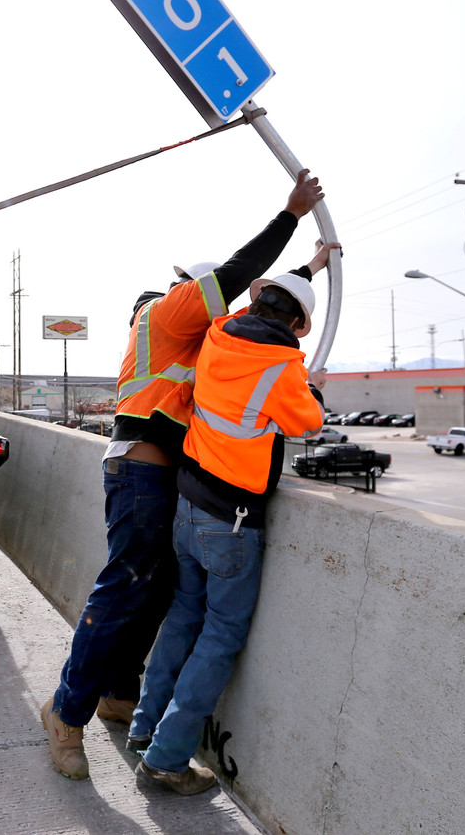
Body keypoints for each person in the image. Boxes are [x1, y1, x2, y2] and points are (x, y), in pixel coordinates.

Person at [41, 168, 336, 780]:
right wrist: (290, 214)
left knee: (159, 591)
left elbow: (264, 309)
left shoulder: (204, 337)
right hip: (142, 471)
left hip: (174, 485)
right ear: (188, 289)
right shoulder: (167, 312)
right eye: (214, 297)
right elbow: (237, 279)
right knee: (126, 588)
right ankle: (66, 711)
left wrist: (305, 273)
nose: (223, 309)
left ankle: (118, 693)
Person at [129, 267, 330, 796]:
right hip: (231, 522)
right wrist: (313, 388)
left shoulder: (217, 335)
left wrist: (308, 267)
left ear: (257, 303)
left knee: (182, 618)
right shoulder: (283, 367)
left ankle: (143, 726)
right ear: (300, 326)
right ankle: (166, 759)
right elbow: (308, 422)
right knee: (219, 637)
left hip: (187, 506)